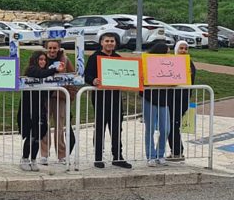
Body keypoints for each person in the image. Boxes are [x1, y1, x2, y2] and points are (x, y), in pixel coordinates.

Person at [84, 33, 133, 169]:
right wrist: (93, 80)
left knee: (117, 128)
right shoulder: (94, 57)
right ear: (101, 42)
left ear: (115, 43)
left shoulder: (118, 58)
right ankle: (98, 157)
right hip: (100, 97)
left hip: (115, 98)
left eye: (112, 41)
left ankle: (118, 157)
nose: (110, 43)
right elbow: (87, 75)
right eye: (107, 41)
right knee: (100, 127)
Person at [18, 51, 63, 171]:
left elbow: (47, 93)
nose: (42, 62)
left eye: (44, 60)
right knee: (31, 135)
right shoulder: (31, 70)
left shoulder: (46, 74)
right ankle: (25, 158)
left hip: (40, 109)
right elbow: (39, 74)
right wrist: (54, 70)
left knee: (38, 135)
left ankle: (33, 159)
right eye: (40, 59)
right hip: (28, 108)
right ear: (35, 60)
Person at [39, 40, 76, 165]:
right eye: (50, 48)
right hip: (45, 96)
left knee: (59, 126)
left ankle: (61, 155)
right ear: (46, 48)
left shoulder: (65, 60)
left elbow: (73, 77)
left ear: (59, 48)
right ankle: (44, 154)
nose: (52, 50)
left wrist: (70, 95)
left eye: (54, 48)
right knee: (44, 125)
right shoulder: (42, 59)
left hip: (61, 96)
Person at [142, 43, 171, 166]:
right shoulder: (147, 62)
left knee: (166, 129)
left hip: (164, 99)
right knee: (150, 129)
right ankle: (150, 155)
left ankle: (160, 153)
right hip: (149, 98)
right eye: (167, 51)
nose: (169, 54)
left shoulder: (170, 63)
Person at [168, 40, 197, 161]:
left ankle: (177, 152)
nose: (183, 51)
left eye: (185, 48)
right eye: (181, 48)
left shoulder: (189, 64)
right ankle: (176, 150)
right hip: (170, 99)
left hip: (181, 100)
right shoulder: (169, 62)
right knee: (170, 125)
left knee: (173, 125)